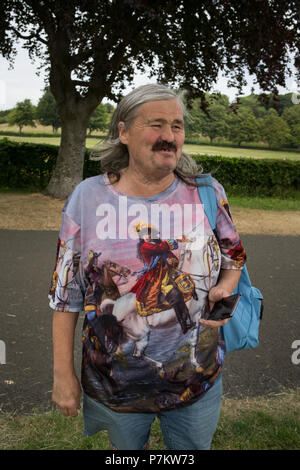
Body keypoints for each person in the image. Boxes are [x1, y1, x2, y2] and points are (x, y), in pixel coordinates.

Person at [49, 83, 246, 450]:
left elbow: (234, 257)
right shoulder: (87, 198)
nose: (169, 136)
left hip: (197, 382)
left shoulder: (207, 191)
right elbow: (66, 296)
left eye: (177, 125)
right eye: (156, 125)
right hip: (115, 386)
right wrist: (63, 374)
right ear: (123, 132)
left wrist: (227, 286)